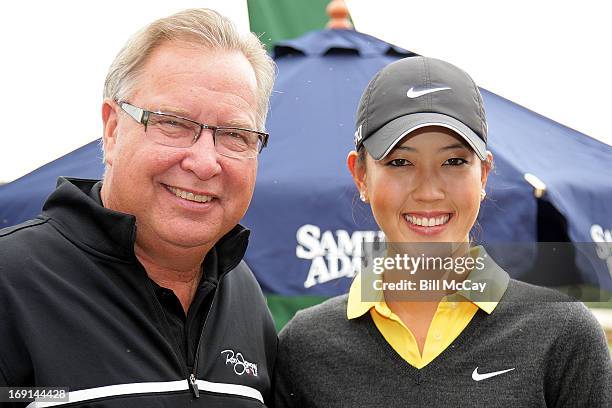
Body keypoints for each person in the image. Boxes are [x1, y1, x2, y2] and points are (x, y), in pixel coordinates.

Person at [274, 56, 611, 407]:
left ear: (483, 174)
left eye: (454, 161)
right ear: (360, 176)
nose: (429, 191)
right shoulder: (305, 346)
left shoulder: (563, 335)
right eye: (400, 162)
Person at [0, 8, 277, 407]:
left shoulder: (243, 293)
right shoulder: (11, 282)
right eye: (173, 123)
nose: (203, 162)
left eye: (235, 134)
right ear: (113, 129)